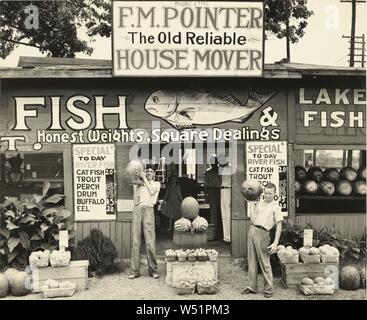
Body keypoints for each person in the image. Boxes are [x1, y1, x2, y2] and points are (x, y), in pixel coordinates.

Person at [242, 182, 283, 298]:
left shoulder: (276, 207)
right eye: (266, 193)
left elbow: (279, 225)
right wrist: (251, 204)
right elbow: (253, 218)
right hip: (253, 230)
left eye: (270, 193)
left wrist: (275, 243)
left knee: (265, 262)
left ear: (275, 193)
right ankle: (252, 287)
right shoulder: (259, 203)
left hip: (263, 233)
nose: (268, 195)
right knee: (251, 260)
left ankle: (268, 289)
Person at [129, 164, 161, 280]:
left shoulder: (156, 184)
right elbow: (135, 201)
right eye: (147, 171)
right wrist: (136, 186)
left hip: (149, 209)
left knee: (150, 241)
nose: (148, 173)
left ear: (154, 174)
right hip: (138, 210)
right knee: (136, 241)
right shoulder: (139, 184)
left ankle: (153, 270)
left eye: (151, 172)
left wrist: (144, 180)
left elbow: (152, 192)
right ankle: (135, 271)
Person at [204, 154, 222, 240]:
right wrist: (205, 195)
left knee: (222, 210)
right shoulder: (208, 173)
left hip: (220, 191)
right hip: (212, 191)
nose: (214, 164)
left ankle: (221, 231)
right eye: (212, 163)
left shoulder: (221, 172)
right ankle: (213, 232)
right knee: (213, 212)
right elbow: (206, 186)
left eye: (215, 162)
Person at [218, 154, 231, 244]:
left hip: (228, 190)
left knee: (228, 214)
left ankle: (229, 237)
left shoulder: (230, 169)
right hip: (222, 190)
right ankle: (225, 237)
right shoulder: (221, 169)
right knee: (224, 215)